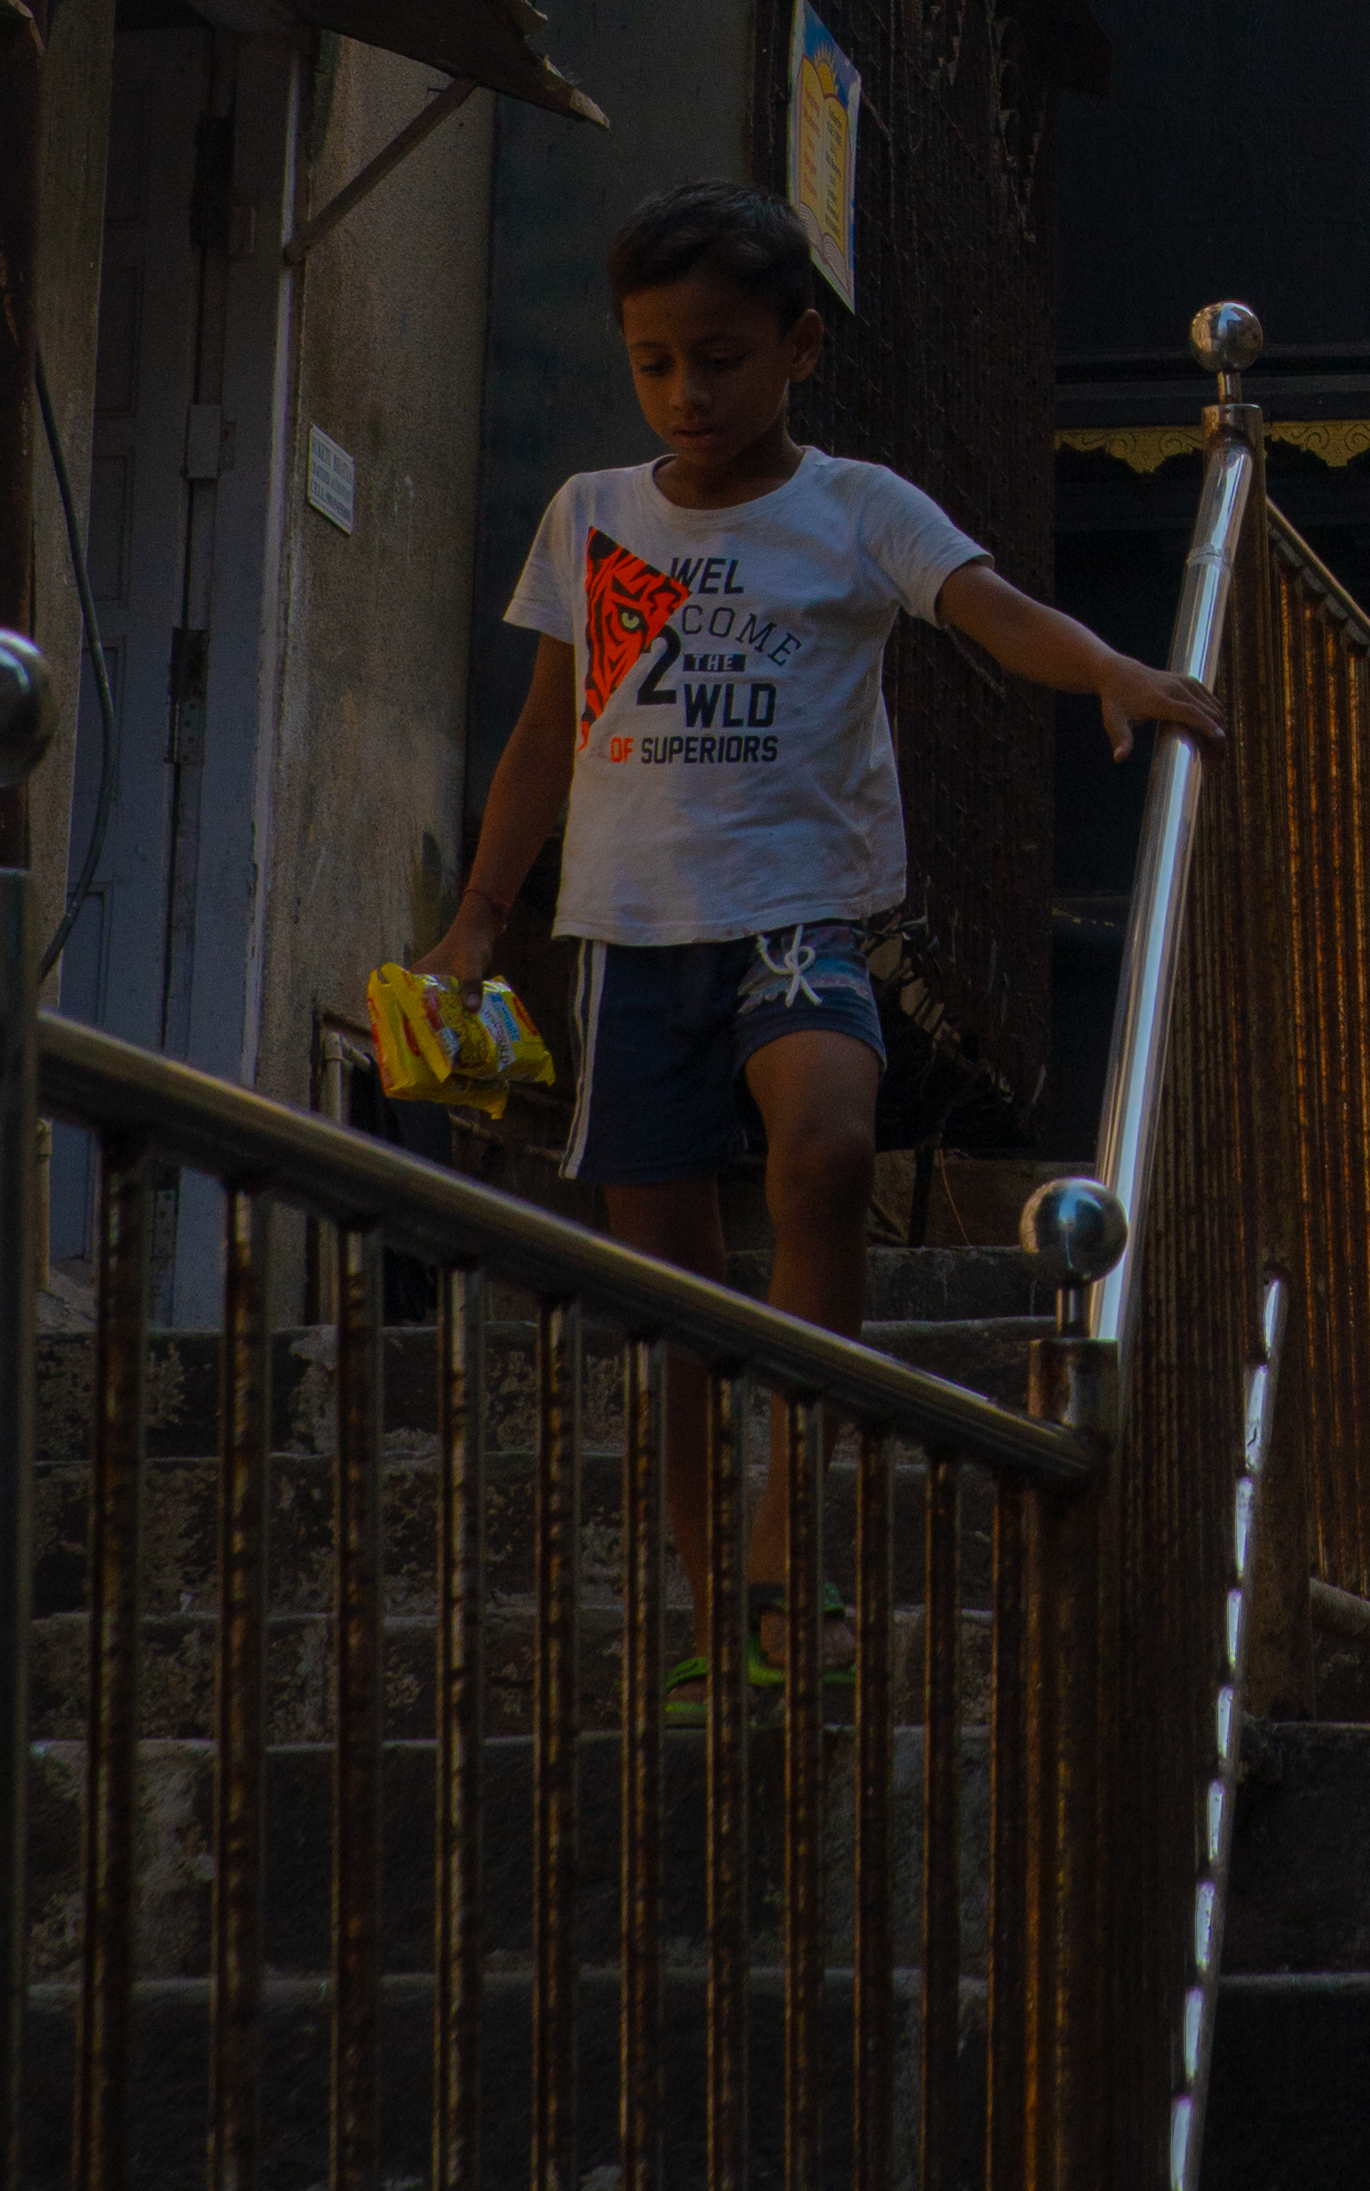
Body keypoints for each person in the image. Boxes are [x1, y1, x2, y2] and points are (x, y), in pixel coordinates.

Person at [428, 179, 1225, 1691]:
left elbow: (986, 611)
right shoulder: (592, 513)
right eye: (656, 360)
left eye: (720, 357)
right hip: (629, 936)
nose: (688, 392)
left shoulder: (856, 508)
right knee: (666, 1299)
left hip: (800, 920)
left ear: (798, 347)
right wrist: (477, 920)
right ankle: (713, 1605)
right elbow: (546, 734)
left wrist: (1114, 668)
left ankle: (797, 1546)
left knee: (828, 1151)